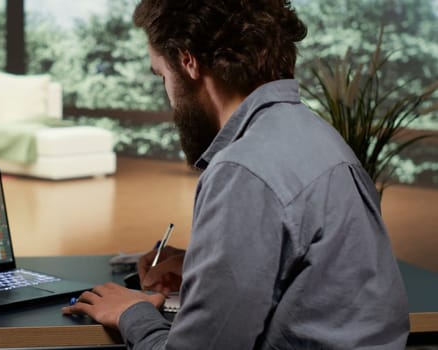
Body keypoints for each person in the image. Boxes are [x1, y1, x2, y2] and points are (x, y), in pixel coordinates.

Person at [62, 0, 410, 348]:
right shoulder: (320, 139)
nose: (167, 95)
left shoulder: (244, 170)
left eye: (162, 76)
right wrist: (206, 269)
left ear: (188, 61)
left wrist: (132, 313)